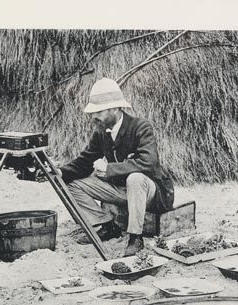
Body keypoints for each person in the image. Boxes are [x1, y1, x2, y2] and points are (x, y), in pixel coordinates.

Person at [57, 78, 174, 256]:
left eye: (99, 111)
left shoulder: (140, 127)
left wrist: (109, 169)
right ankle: (107, 226)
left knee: (135, 178)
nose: (93, 116)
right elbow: (85, 161)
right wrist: (59, 172)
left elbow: (149, 162)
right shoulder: (101, 132)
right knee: (71, 184)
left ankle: (136, 237)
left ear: (115, 109)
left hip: (152, 192)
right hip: (120, 190)